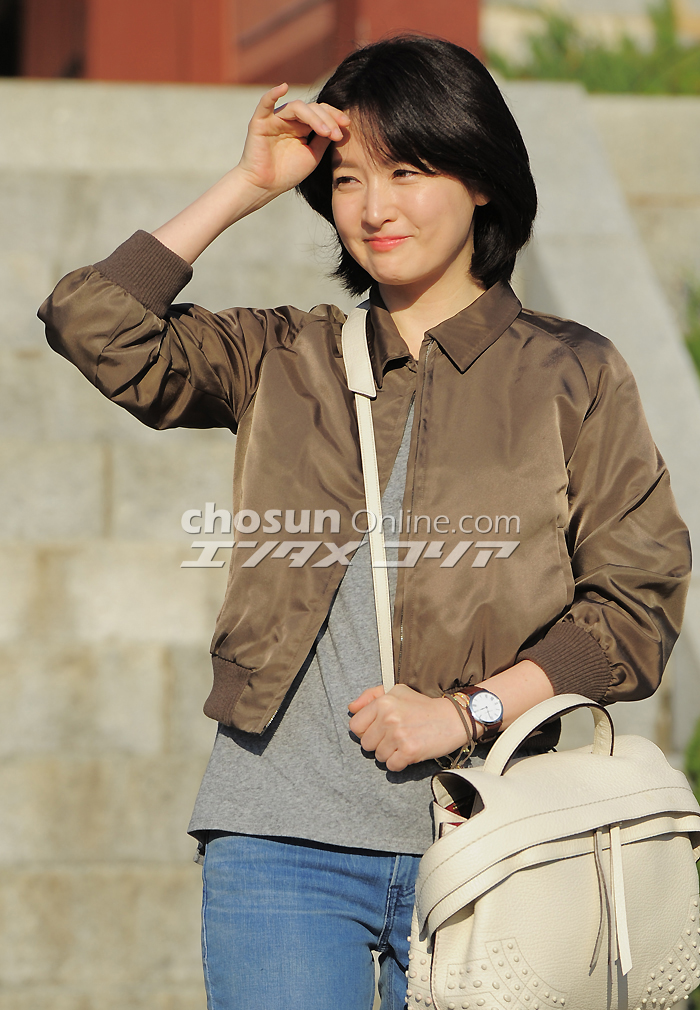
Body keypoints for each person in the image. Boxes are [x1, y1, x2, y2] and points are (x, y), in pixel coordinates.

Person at [39, 34, 690, 1010]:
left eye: (407, 171)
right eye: (348, 179)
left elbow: (635, 602)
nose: (374, 207)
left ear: (479, 179)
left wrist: (467, 710)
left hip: (494, 838)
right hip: (279, 842)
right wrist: (247, 183)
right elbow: (92, 322)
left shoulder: (573, 373)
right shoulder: (281, 356)